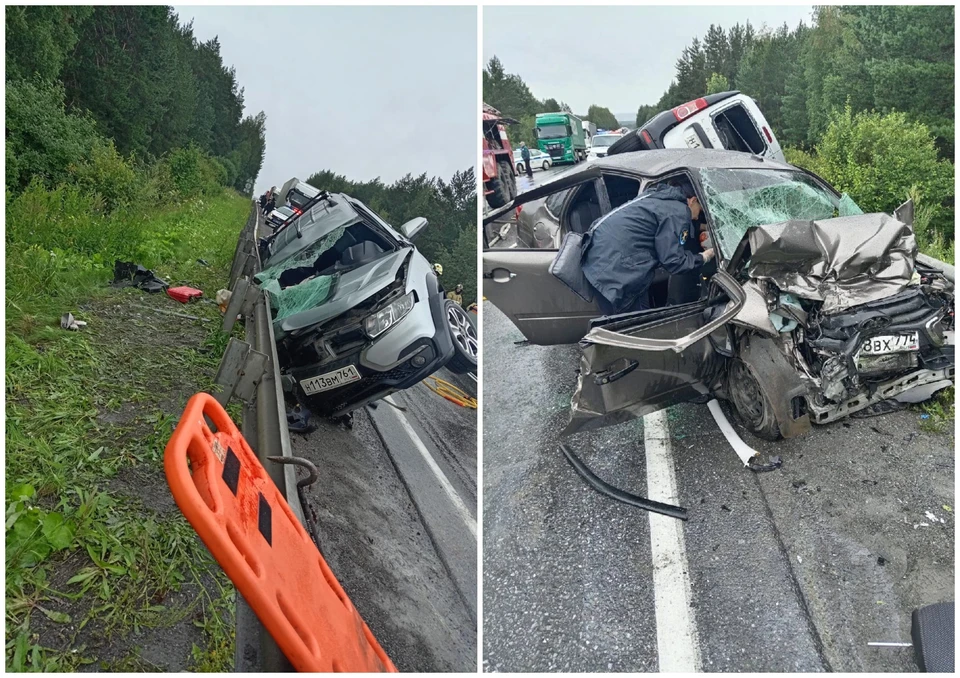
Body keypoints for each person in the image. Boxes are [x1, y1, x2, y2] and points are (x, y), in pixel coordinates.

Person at [580, 178, 715, 315]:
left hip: (599, 256)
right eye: (700, 209)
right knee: (637, 324)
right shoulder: (678, 212)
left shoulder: (661, 197)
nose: (698, 217)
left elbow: (665, 225)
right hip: (616, 270)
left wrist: (703, 227)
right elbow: (674, 261)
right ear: (692, 200)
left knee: (634, 319)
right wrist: (705, 256)